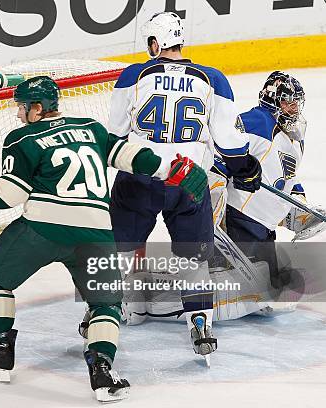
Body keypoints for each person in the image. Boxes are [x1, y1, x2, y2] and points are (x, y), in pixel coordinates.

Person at [0, 75, 207, 402]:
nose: (18, 114)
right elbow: (133, 157)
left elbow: (12, 194)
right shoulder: (91, 129)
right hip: (96, 229)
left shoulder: (22, 138)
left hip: (44, 228)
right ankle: (103, 373)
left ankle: (0, 354)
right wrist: (173, 169)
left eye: (22, 108)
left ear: (37, 108)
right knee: (105, 304)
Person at [107, 12, 263, 361]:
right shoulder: (214, 79)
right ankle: (199, 320)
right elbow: (230, 145)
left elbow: (115, 137)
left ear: (154, 44)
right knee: (194, 256)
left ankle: (123, 310)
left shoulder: (134, 75)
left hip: (138, 177)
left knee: (125, 248)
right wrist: (245, 168)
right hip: (188, 180)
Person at [212, 71, 325, 288]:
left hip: (264, 224)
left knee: (270, 286)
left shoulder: (293, 135)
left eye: (297, 103)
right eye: (288, 102)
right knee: (244, 287)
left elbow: (285, 172)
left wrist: (297, 197)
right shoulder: (258, 121)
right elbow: (224, 146)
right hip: (242, 217)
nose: (294, 108)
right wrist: (216, 182)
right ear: (272, 100)